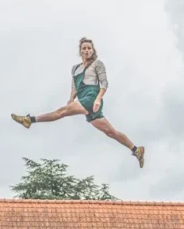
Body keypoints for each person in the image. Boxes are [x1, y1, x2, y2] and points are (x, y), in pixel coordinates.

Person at [10, 37, 145, 168]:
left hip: (92, 97)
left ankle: (29, 120)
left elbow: (104, 83)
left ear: (93, 50)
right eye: (84, 48)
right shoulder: (75, 68)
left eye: (89, 48)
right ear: (80, 51)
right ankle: (136, 149)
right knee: (111, 132)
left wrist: (98, 99)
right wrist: (71, 99)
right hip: (83, 99)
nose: (86, 50)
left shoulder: (97, 64)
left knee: (61, 112)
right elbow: (75, 86)